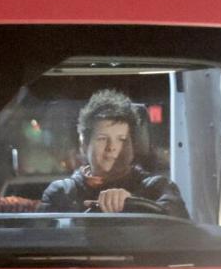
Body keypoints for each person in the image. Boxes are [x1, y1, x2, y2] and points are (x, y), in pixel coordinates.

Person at [41, 90, 188, 218]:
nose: (112, 147)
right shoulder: (62, 193)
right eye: (102, 139)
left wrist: (132, 201)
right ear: (84, 145)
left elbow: (180, 228)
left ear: (134, 146)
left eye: (122, 140)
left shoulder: (158, 188)